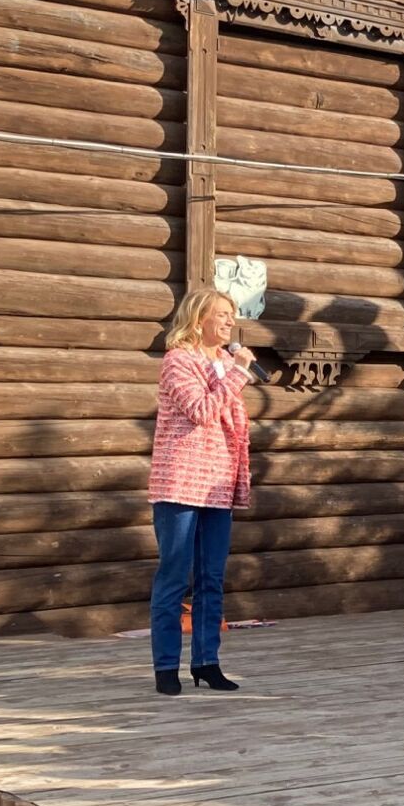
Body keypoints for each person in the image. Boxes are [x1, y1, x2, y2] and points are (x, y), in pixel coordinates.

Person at [146, 287, 258, 696]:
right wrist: (239, 374)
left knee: (211, 578)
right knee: (174, 577)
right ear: (198, 320)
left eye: (232, 315)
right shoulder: (178, 361)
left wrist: (233, 370)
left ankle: (207, 662)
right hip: (180, 483)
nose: (230, 321)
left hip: (218, 485)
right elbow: (201, 411)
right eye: (222, 314)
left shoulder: (227, 362)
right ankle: (165, 668)